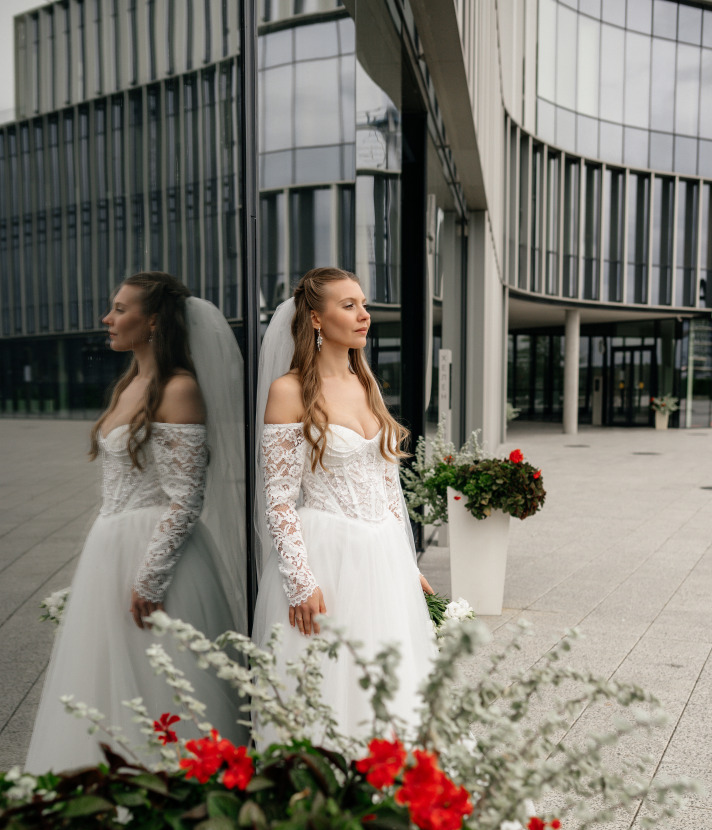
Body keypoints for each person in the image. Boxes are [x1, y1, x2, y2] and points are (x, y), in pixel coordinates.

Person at [25, 272, 247, 774]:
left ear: (152, 322)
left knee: (160, 676)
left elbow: (186, 497)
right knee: (102, 675)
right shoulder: (132, 382)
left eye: (120, 309)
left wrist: (151, 576)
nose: (108, 318)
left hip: (154, 555)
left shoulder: (179, 388)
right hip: (110, 545)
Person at [252, 267, 436, 748]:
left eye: (364, 304)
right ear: (316, 318)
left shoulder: (365, 383)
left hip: (380, 557)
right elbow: (278, 498)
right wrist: (299, 579)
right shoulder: (288, 391)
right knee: (329, 684)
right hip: (325, 558)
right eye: (348, 305)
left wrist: (405, 561)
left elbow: (385, 485)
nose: (363, 315)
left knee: (387, 682)